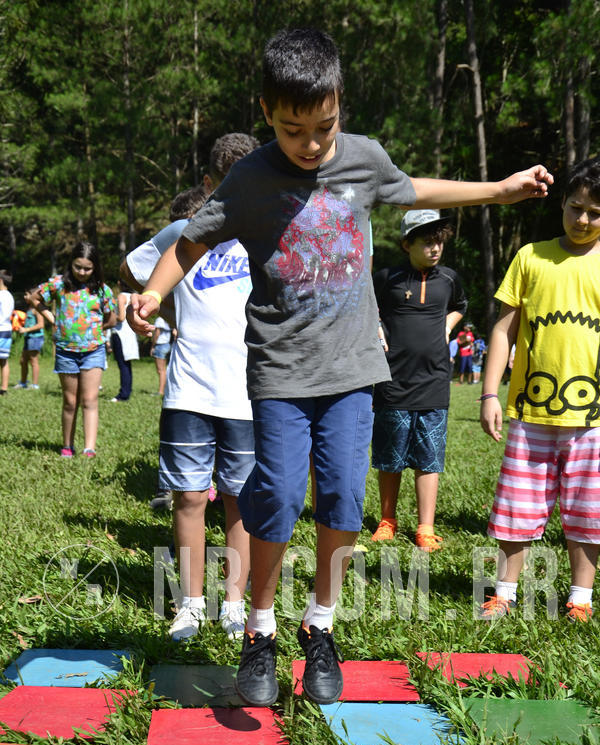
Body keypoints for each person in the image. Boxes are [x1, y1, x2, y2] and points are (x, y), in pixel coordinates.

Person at [127, 27, 552, 707]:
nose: (311, 143)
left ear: (339, 106)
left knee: (345, 501)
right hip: (281, 373)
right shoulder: (252, 177)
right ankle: (259, 631)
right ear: (267, 111)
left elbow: (413, 185)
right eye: (294, 129)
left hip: (354, 370)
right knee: (272, 498)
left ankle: (319, 625)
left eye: (324, 126)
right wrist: (153, 293)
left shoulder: (360, 158)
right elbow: (193, 239)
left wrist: (498, 190)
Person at [122, 133, 258, 642]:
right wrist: (149, 307)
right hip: (189, 389)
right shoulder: (182, 230)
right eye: (228, 185)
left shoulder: (269, 232)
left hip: (249, 392)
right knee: (189, 498)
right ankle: (192, 606)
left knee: (242, 501)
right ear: (209, 184)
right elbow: (137, 274)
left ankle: (234, 605)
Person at [480, 155, 600, 624]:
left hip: (592, 421)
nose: (583, 220)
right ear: (562, 204)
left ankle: (581, 599)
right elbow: (503, 331)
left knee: (588, 512)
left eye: (595, 213)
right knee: (517, 506)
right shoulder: (531, 257)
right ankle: (505, 592)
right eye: (576, 208)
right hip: (532, 416)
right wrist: (490, 392)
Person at [370, 209, 467, 550]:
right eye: (427, 243)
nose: (435, 249)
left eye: (439, 242)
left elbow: (461, 305)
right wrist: (376, 328)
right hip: (391, 381)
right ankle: (387, 519)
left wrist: (447, 325)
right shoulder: (386, 278)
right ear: (406, 243)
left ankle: (425, 527)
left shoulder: (449, 279)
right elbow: (369, 307)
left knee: (429, 457)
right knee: (390, 457)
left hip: (434, 382)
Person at [31, 241, 116, 457]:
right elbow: (34, 298)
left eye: (87, 268)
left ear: (95, 267)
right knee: (70, 401)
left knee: (89, 400)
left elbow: (111, 319)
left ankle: (89, 448)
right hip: (65, 351)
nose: (82, 272)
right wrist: (52, 318)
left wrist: (93, 329)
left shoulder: (102, 290)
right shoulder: (59, 284)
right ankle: (67, 445)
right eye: (78, 267)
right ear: (71, 264)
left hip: (93, 351)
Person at [110, 282, 139, 402]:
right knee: (127, 365)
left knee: (122, 365)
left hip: (120, 334)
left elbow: (121, 317)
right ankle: (127, 391)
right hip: (130, 334)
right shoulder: (134, 296)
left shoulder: (121, 296)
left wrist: (110, 317)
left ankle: (123, 394)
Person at [15, 289, 45, 389]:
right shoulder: (29, 308)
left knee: (33, 361)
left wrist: (26, 329)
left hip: (35, 338)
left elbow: (41, 324)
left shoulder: (37, 308)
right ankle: (23, 382)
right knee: (23, 361)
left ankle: (35, 385)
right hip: (28, 338)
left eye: (27, 295)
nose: (25, 297)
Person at [0, 270, 15, 396]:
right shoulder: (8, 295)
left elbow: (4, 315)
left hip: (1, 330)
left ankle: (3, 388)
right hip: (6, 330)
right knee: (3, 360)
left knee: (3, 360)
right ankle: (3, 388)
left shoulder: (3, 296)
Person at [150, 315, 172, 395]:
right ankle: (165, 390)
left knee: (161, 370)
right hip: (167, 344)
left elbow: (157, 333)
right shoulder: (168, 318)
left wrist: (153, 345)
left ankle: (161, 391)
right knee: (164, 369)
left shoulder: (160, 319)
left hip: (160, 345)